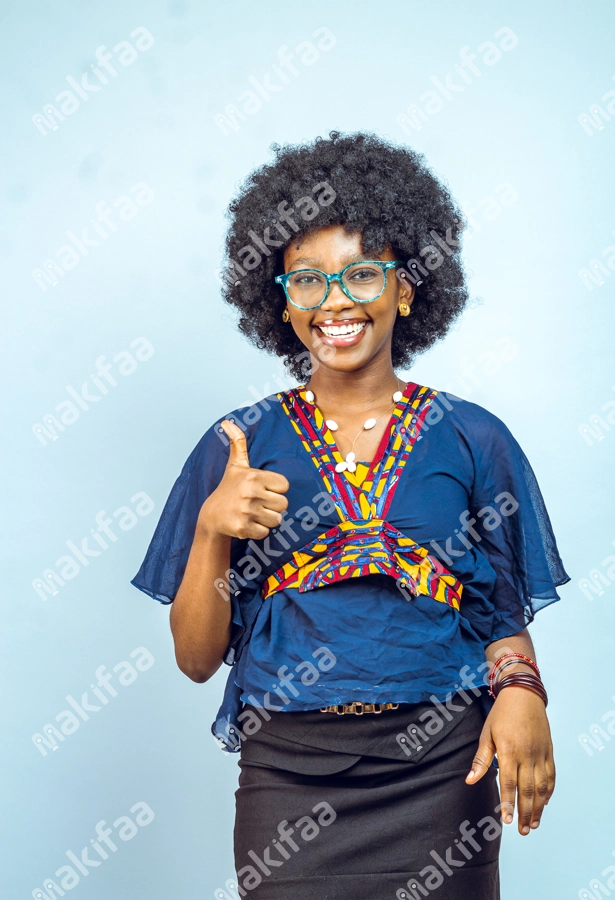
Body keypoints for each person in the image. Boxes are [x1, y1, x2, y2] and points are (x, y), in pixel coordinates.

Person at [132, 132, 569, 899]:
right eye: (306, 281)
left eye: (360, 274)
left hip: (441, 766)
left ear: (404, 289)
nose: (334, 302)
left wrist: (523, 692)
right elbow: (198, 660)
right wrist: (211, 529)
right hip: (289, 774)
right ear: (281, 301)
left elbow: (501, 613)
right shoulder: (240, 443)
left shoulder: (473, 438)